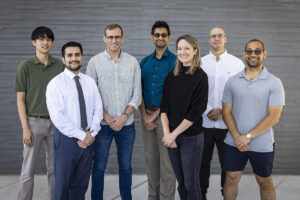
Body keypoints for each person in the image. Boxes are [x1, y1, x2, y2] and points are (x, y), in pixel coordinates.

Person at [222, 39, 285, 200]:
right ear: (244, 54)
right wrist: (237, 137)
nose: (253, 54)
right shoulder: (232, 81)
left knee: (264, 181)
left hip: (262, 143)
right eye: (249, 51)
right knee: (230, 179)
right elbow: (226, 112)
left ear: (264, 54)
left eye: (257, 51)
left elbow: (274, 117)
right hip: (234, 142)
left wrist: (247, 137)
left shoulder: (274, 82)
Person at [86, 24, 142, 200]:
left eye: (117, 37)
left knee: (125, 166)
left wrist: (124, 117)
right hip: (102, 125)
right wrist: (109, 118)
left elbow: (137, 94)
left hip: (127, 125)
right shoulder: (94, 62)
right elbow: (91, 95)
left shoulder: (132, 62)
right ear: (104, 38)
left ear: (123, 39)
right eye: (110, 37)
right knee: (99, 166)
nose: (114, 40)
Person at [46, 41, 103, 200]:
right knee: (63, 186)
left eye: (77, 54)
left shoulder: (89, 82)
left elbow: (98, 109)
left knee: (81, 185)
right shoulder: (56, 84)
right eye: (69, 55)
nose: (74, 58)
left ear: (82, 58)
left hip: (88, 139)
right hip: (67, 140)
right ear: (63, 60)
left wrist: (91, 134)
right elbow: (58, 117)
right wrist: (81, 135)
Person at [14, 26, 64, 200]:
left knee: (55, 168)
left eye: (49, 39)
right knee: (28, 169)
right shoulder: (25, 67)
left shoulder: (59, 65)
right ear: (34, 42)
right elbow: (20, 99)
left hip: (57, 123)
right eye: (41, 39)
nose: (45, 42)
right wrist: (25, 127)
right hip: (34, 123)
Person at [161, 35, 208, 200]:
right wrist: (168, 134)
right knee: (180, 181)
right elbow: (164, 108)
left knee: (191, 182)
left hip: (191, 138)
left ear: (195, 51)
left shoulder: (201, 77)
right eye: (180, 48)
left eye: (187, 48)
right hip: (172, 139)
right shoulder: (171, 76)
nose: (183, 52)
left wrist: (173, 134)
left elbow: (196, 112)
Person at [200, 27, 244, 199]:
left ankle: (226, 195)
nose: (216, 39)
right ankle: (201, 194)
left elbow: (241, 93)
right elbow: (196, 93)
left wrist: (222, 110)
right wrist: (207, 110)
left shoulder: (237, 64)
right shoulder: (200, 63)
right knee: (202, 164)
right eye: (213, 36)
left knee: (229, 165)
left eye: (219, 36)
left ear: (225, 39)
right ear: (209, 40)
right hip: (203, 123)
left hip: (228, 124)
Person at [139, 21, 176, 200]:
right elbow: (138, 91)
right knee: (151, 162)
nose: (160, 38)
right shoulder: (145, 62)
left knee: (167, 164)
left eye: (164, 35)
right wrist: (145, 116)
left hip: (167, 117)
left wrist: (153, 116)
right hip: (147, 116)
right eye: (157, 35)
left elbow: (173, 94)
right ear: (152, 37)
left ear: (168, 37)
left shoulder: (175, 61)